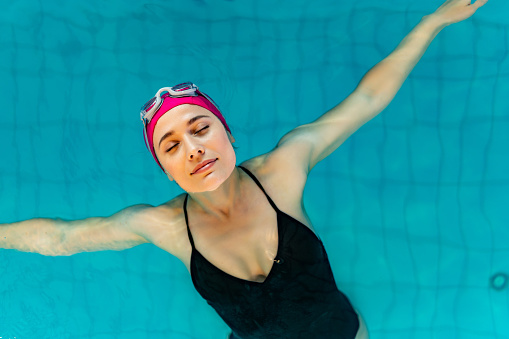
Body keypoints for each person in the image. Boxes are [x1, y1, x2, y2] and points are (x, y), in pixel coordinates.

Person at [0, 0, 487, 338]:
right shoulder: (165, 226)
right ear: (166, 171)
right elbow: (63, 238)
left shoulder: (284, 169)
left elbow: (366, 99)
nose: (193, 148)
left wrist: (431, 23)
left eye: (201, 127)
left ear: (228, 134)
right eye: (171, 146)